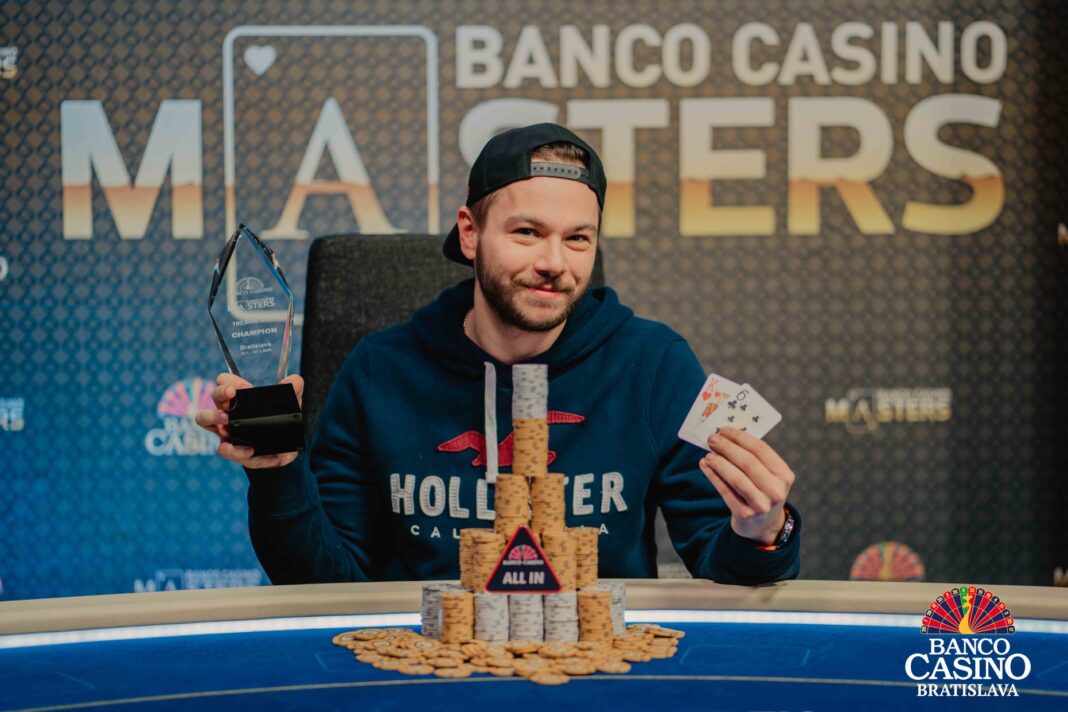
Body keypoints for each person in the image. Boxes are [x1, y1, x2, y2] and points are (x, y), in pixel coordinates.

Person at [196, 123, 801, 585]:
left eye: (578, 239)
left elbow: (723, 563)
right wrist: (277, 472)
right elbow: (324, 584)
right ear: (470, 232)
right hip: (422, 676)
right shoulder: (379, 370)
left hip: (598, 674)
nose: (554, 263)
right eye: (527, 232)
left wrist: (763, 531)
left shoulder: (653, 364)